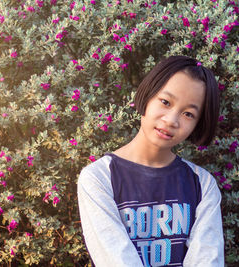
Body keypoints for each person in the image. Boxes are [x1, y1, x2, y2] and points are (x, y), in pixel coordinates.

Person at [77, 55, 224, 267]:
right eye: (165, 102)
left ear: (198, 123)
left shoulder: (202, 184)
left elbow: (207, 260)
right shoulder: (99, 177)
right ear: (147, 95)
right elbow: (114, 259)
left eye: (188, 114)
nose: (171, 120)